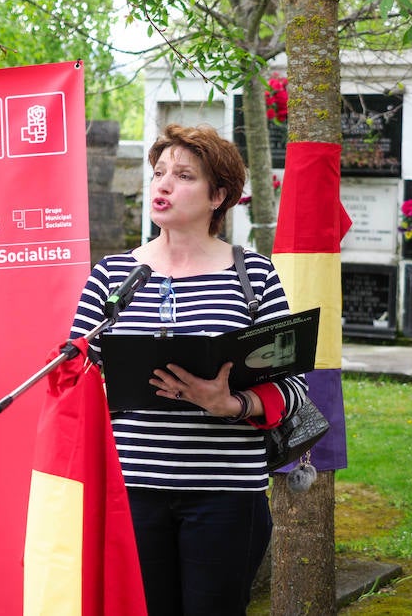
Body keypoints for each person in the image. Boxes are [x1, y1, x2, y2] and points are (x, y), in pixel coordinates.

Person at [69, 124, 309, 615]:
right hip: (131, 493)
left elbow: (295, 385)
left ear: (218, 195)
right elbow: (76, 380)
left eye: (183, 176)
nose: (162, 185)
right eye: (159, 173)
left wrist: (232, 404)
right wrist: (91, 374)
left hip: (227, 495)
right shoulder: (112, 276)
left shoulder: (254, 275)